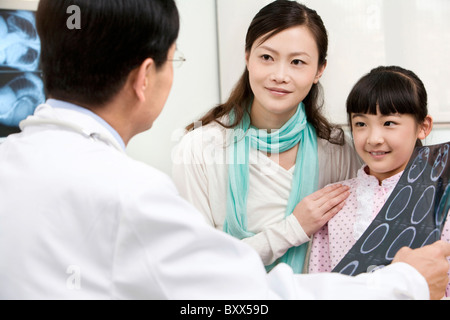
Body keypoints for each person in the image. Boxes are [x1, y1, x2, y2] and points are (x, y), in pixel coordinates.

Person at [0, 0, 449, 300]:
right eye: (174, 59)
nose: (280, 75)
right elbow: (238, 298)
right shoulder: (138, 189)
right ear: (144, 78)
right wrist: (405, 281)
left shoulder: (12, 164)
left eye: (298, 62)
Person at [173, 0, 361, 273]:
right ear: (247, 57)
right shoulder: (199, 148)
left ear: (319, 70)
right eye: (267, 57)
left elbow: (351, 249)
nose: (280, 75)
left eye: (297, 62)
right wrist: (295, 228)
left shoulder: (339, 150)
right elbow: (197, 266)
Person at [308, 66, 450, 297]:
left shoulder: (443, 198)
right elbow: (320, 283)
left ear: (423, 127)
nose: (374, 139)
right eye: (361, 124)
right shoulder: (335, 199)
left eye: (389, 123)